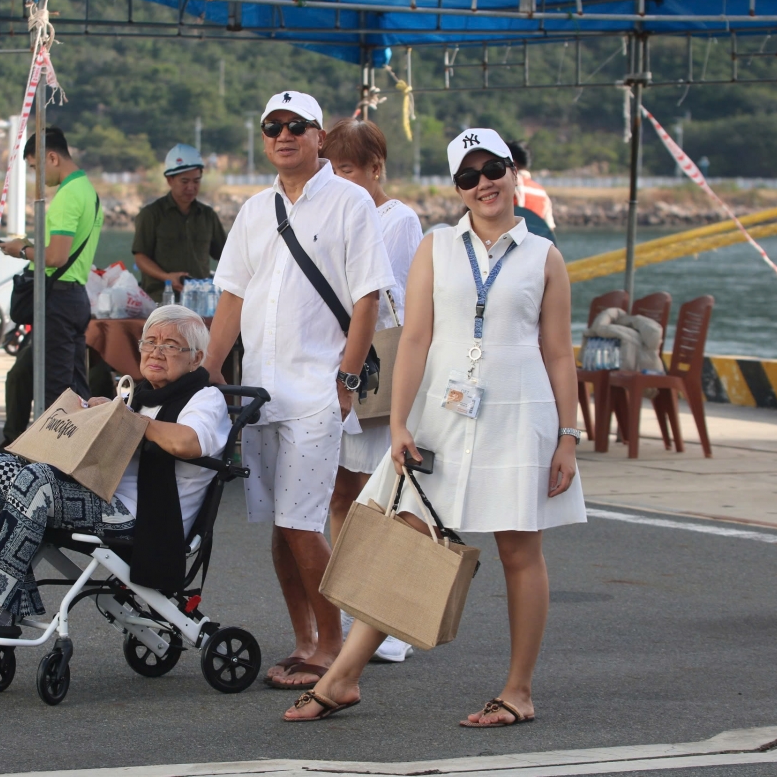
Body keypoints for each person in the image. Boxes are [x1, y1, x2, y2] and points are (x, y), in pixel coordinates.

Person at [283, 128, 586, 724]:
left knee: (520, 551)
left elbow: (557, 354)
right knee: (406, 539)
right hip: (441, 418)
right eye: (468, 177)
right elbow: (415, 339)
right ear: (458, 189)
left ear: (512, 171)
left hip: (521, 417)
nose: (483, 184)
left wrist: (568, 439)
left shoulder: (543, 256)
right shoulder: (435, 247)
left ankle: (518, 692)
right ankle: (343, 678)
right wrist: (398, 422)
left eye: (492, 169)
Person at [204, 91, 395, 690]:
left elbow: (368, 296)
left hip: (317, 390)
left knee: (300, 523)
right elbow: (232, 293)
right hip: (261, 392)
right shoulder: (256, 210)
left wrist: (346, 376)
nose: (283, 135)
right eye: (272, 127)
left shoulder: (350, 203)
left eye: (295, 126)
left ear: (318, 137)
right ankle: (305, 640)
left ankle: (334, 648)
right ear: (264, 139)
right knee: (281, 531)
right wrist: (209, 372)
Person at [0, 305, 229, 644]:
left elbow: (187, 442)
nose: (156, 351)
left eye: (170, 345)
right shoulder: (139, 396)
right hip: (104, 498)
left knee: (37, 482)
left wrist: (128, 420)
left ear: (196, 358)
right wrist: (102, 414)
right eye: (149, 342)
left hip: (149, 518)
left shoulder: (206, 399)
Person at [320, 118, 422, 664]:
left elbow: (401, 303)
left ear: (375, 168)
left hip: (377, 373)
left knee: (383, 498)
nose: (337, 178)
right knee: (341, 492)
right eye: (331, 168)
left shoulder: (398, 220)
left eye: (348, 169)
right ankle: (353, 602)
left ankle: (389, 618)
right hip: (341, 367)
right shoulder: (335, 212)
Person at [0, 128, 104, 449]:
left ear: (52, 157)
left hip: (58, 299)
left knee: (56, 389)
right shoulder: (87, 190)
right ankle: (77, 451)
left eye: (35, 167)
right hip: (73, 296)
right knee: (72, 383)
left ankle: (55, 460)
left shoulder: (68, 196)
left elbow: (56, 256)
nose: (36, 177)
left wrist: (21, 250)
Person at [133, 144, 227, 303]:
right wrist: (167, 278)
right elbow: (140, 257)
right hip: (160, 298)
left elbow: (226, 256)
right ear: (170, 180)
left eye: (196, 181)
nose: (191, 187)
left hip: (200, 301)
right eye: (184, 181)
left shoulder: (208, 216)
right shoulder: (151, 214)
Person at [507, 140, 556, 233]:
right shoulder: (542, 192)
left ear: (512, 162)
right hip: (536, 243)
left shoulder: (511, 184)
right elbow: (550, 229)